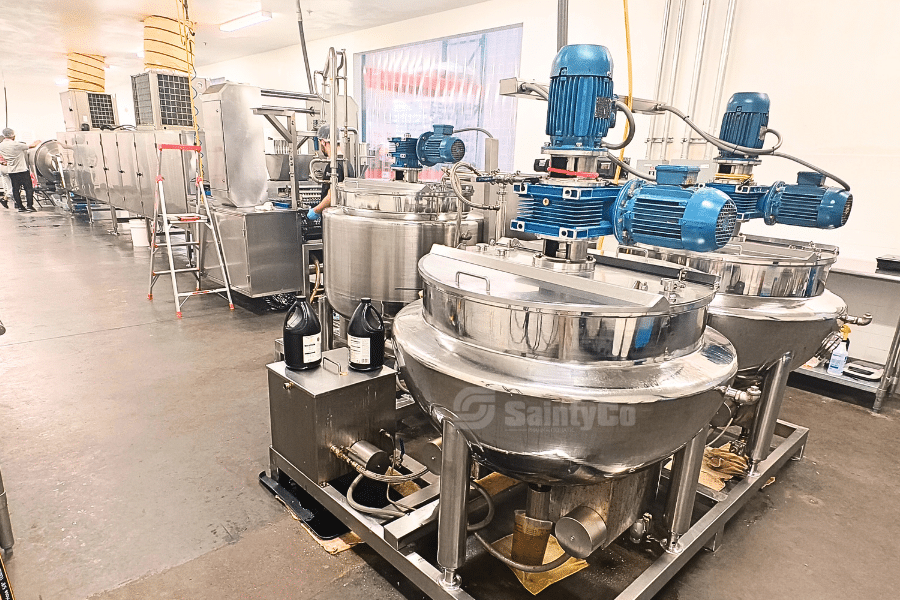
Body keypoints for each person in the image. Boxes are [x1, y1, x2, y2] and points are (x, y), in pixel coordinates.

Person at [306, 123, 344, 221]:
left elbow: (332, 196)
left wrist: (315, 210)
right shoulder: (346, 163)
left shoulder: (334, 166)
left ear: (323, 142)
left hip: (334, 220)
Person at [0, 128, 40, 212]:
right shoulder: (16, 144)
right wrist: (38, 141)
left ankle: (20, 207)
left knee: (15, 189)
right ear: (12, 135)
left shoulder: (1, 145)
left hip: (12, 171)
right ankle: (29, 206)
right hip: (22, 170)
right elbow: (31, 146)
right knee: (28, 188)